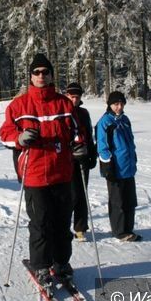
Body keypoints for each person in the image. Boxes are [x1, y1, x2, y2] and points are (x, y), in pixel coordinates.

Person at [0, 53, 87, 288]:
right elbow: (5, 134)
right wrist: (19, 138)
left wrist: (79, 146)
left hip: (62, 173)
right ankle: (41, 265)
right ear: (31, 76)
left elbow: (77, 132)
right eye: (36, 72)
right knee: (41, 223)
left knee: (62, 222)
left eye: (45, 72)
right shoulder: (18, 105)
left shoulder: (64, 104)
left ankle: (61, 262)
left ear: (51, 75)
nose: (41, 75)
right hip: (34, 174)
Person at [96, 91, 141, 242]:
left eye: (121, 104)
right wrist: (107, 165)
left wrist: (133, 158)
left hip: (128, 167)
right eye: (116, 104)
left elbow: (130, 142)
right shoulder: (105, 122)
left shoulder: (125, 120)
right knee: (118, 201)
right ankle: (120, 231)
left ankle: (128, 229)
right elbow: (102, 146)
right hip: (115, 169)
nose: (119, 107)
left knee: (130, 201)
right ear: (110, 105)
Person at [64, 83, 97, 242]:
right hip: (67, 159)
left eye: (77, 97)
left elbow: (89, 135)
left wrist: (92, 154)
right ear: (67, 96)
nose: (74, 100)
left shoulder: (84, 113)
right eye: (72, 97)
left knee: (82, 193)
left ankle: (80, 228)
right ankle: (64, 227)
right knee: (70, 194)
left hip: (83, 157)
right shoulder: (62, 111)